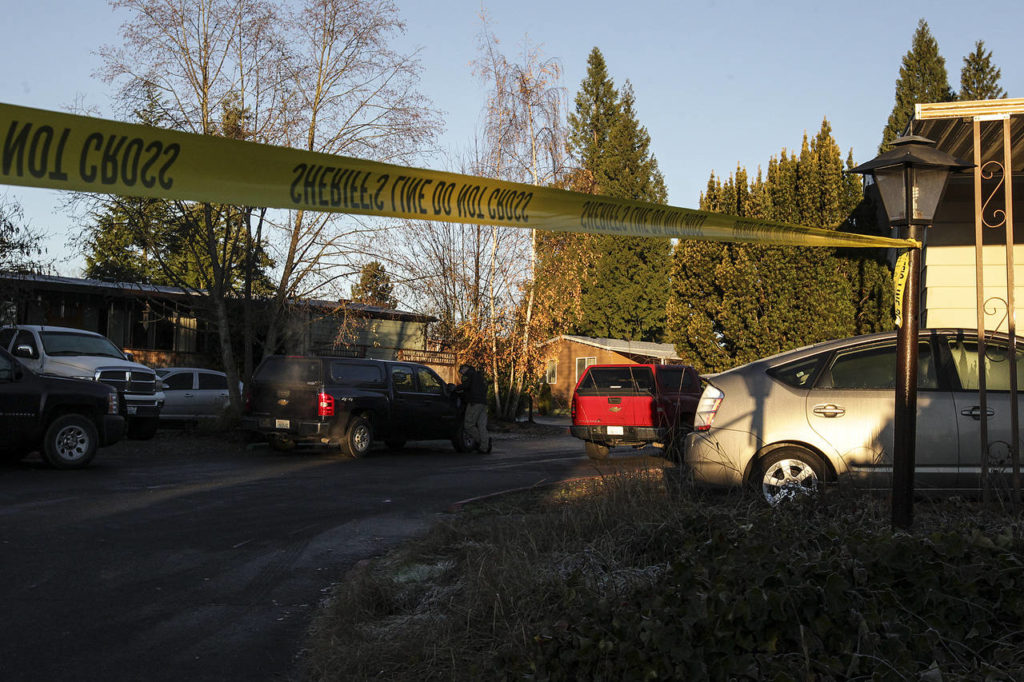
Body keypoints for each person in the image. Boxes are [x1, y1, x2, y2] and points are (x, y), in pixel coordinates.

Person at [457, 363, 491, 453]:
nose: (461, 373)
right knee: (482, 426)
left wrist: (455, 388)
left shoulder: (469, 375)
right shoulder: (479, 376)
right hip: (483, 403)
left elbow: (466, 386)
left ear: (465, 368)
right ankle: (485, 446)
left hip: (474, 403)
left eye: (461, 371)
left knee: (468, 425)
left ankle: (483, 442)